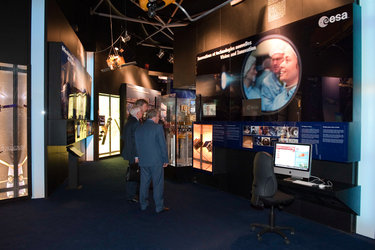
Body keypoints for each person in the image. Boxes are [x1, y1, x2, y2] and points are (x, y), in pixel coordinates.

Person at [135, 109, 169, 213]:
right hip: (156, 161)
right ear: (154, 117)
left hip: (144, 160)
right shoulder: (158, 128)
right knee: (158, 184)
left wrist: (137, 157)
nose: (159, 119)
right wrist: (165, 159)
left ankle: (143, 205)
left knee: (144, 183)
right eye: (158, 116)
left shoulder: (139, 128)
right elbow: (162, 145)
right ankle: (159, 207)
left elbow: (137, 145)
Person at [121, 106, 143, 203]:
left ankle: (131, 194)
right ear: (137, 113)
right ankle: (132, 195)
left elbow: (123, 137)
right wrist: (137, 156)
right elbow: (136, 141)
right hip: (134, 153)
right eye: (141, 112)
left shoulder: (129, 122)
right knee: (134, 174)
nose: (142, 113)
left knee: (132, 172)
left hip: (129, 151)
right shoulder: (136, 123)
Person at [271, 46, 300, 110]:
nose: (281, 65)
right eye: (283, 60)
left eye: (287, 60)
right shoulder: (277, 100)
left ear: (299, 64)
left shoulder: (305, 97)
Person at [261, 45, 285, 111]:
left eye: (278, 59)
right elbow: (267, 107)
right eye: (273, 59)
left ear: (285, 59)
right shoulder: (266, 82)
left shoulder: (291, 77)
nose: (274, 63)